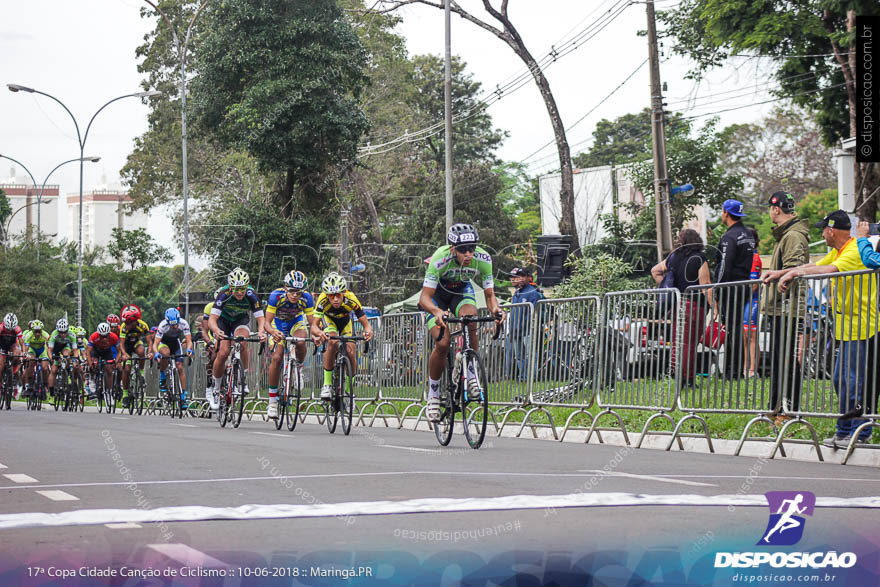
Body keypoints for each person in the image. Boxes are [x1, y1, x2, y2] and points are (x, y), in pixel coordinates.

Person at [775, 211, 880, 447]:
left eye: (824, 229)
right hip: (846, 330)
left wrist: (793, 272)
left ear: (831, 231)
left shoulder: (853, 251)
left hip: (862, 328)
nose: (822, 234)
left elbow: (829, 271)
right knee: (840, 381)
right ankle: (843, 430)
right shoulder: (838, 251)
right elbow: (815, 265)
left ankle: (860, 433)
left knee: (853, 382)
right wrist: (782, 272)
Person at [417, 223, 505, 422]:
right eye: (463, 250)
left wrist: (496, 310)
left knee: (471, 318)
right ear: (452, 249)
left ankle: (471, 372)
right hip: (436, 299)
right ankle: (433, 394)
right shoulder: (440, 258)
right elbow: (424, 298)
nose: (468, 254)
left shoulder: (483, 259)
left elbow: (490, 295)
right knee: (442, 342)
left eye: (472, 248)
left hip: (461, 293)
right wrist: (437, 311)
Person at [760, 192, 810, 425]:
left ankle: (790, 410)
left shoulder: (793, 236)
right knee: (779, 357)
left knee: (787, 358)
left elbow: (795, 269)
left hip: (788, 307)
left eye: (770, 209)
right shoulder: (786, 235)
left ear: (776, 209)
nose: (769, 213)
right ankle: (777, 407)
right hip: (781, 307)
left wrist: (775, 275)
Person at [651, 229, 712, 385]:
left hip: (677, 305)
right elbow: (705, 285)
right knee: (690, 344)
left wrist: (668, 288)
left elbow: (655, 270)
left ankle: (678, 375)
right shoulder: (699, 258)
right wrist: (715, 306)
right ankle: (687, 379)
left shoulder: (673, 257)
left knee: (679, 343)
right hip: (694, 305)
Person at [310, 272, 373, 401]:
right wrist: (319, 333)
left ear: (343, 293)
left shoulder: (351, 298)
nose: (335, 299)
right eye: (331, 296)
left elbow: (366, 324)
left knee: (351, 351)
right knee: (332, 342)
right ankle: (327, 385)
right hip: (329, 321)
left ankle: (349, 392)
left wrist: (368, 331)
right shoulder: (322, 300)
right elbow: (314, 326)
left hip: (346, 322)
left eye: (338, 295)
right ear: (327, 295)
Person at [262, 270, 316, 419]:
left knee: (300, 340)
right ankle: (272, 402)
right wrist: (273, 332)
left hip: (295, 322)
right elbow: (266, 323)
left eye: (298, 292)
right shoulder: (275, 296)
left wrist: (318, 334)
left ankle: (298, 368)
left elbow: (313, 324)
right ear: (285, 288)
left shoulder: (307, 299)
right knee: (277, 358)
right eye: (292, 291)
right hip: (277, 324)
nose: (294, 295)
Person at [208, 268, 266, 403]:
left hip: (240, 320)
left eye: (242, 289)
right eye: (236, 289)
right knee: (223, 353)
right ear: (230, 287)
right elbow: (212, 320)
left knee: (242, 342)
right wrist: (216, 330)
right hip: (223, 322)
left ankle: (242, 379)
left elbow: (261, 319)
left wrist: (262, 331)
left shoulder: (251, 294)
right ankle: (216, 388)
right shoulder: (224, 293)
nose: (240, 293)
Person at [714, 199, 756, 379]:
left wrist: (718, 289)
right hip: (744, 285)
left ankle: (732, 372)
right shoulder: (748, 234)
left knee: (731, 329)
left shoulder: (729, 237)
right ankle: (736, 370)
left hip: (731, 287)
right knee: (738, 328)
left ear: (725, 213)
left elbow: (725, 265)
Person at [151, 308, 194, 409]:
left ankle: (183, 398)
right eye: (172, 324)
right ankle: (163, 378)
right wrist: (156, 353)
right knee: (165, 353)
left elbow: (189, 341)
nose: (174, 326)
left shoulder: (184, 323)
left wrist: (188, 349)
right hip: (164, 343)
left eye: (176, 324)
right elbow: (155, 344)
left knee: (180, 367)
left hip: (175, 343)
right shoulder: (162, 325)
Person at [508, 267, 543, 382]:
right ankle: (522, 378)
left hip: (528, 331)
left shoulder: (533, 292)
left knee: (531, 355)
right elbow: (514, 314)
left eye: (522, 276)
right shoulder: (516, 293)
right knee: (519, 357)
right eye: (517, 277)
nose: (519, 279)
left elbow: (535, 314)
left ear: (529, 277)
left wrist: (530, 327)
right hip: (516, 331)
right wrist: (511, 331)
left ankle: (532, 378)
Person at [119, 306, 150, 408]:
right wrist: (124, 354)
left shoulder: (142, 325)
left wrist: (150, 352)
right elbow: (121, 345)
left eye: (127, 324)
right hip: (127, 346)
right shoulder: (123, 327)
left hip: (136, 343)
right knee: (126, 370)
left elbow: (149, 341)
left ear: (133, 322)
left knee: (142, 352)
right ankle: (125, 395)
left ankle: (141, 374)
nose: (125, 325)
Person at [742, 228, 763, 378]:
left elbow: (754, 284)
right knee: (744, 336)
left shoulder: (754, 257)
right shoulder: (745, 256)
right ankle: (744, 368)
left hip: (752, 300)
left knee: (752, 335)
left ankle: (752, 369)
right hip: (744, 300)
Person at [87, 322, 121, 399]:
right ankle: (92, 382)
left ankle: (109, 392)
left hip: (107, 351)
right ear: (99, 335)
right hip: (96, 350)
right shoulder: (93, 337)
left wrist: (116, 361)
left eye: (106, 336)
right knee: (93, 365)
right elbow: (88, 352)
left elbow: (119, 351)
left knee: (109, 369)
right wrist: (90, 364)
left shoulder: (114, 337)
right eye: (102, 336)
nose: (104, 338)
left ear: (109, 334)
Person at [47, 318, 80, 398]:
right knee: (54, 370)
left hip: (66, 346)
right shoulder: (54, 334)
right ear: (58, 331)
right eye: (61, 332)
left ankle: (67, 370)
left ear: (67, 330)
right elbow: (49, 350)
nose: (63, 334)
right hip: (56, 348)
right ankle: (51, 391)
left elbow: (75, 350)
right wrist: (52, 358)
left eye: (65, 332)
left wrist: (76, 359)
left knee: (67, 355)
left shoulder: (72, 335)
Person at [21, 319, 51, 399]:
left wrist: (51, 356)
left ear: (42, 330)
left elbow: (50, 347)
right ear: (32, 330)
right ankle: (29, 384)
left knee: (45, 368)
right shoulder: (28, 335)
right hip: (32, 350)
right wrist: (25, 355)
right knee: (30, 362)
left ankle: (45, 385)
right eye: (35, 331)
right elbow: (26, 348)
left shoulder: (46, 335)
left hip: (42, 351)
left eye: (39, 331)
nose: (37, 333)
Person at [0, 313, 24, 405]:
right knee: (1, 366)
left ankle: (12, 372)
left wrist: (23, 352)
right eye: (8, 328)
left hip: (12, 345)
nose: (9, 330)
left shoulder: (17, 329)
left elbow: (22, 342)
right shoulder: (1, 327)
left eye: (11, 329)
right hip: (2, 346)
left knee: (17, 354)